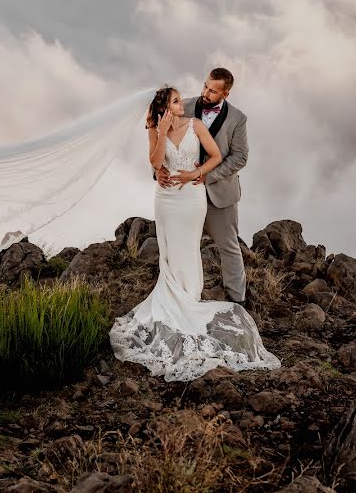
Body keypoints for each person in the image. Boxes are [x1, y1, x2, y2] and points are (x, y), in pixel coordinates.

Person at [109, 84, 279, 382]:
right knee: (169, 249)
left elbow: (214, 157)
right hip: (166, 199)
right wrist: (161, 135)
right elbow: (154, 161)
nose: (181, 104)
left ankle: (189, 296)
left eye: (179, 101)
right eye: (176, 101)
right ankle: (170, 295)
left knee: (188, 247)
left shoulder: (195, 124)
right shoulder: (154, 127)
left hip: (191, 197)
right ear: (167, 107)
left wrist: (194, 174)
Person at [156, 68, 247, 303]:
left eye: (213, 90)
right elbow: (160, 139)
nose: (205, 92)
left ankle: (237, 300)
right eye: (205, 85)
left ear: (225, 94)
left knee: (228, 247)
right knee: (181, 246)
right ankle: (182, 296)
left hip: (219, 193)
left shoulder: (238, 119)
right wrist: (158, 170)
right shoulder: (181, 105)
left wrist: (206, 175)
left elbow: (239, 158)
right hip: (181, 194)